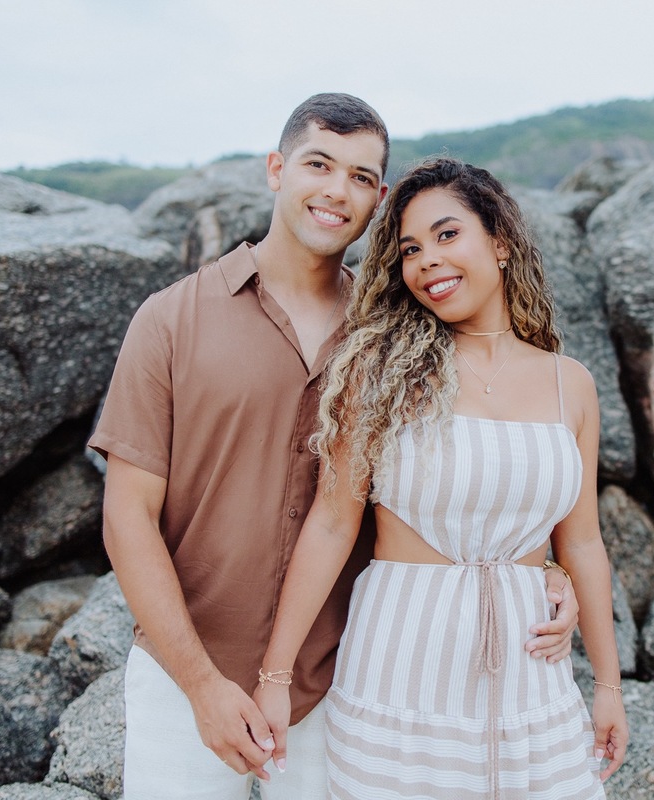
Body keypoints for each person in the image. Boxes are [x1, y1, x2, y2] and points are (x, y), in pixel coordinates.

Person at [89, 94, 581, 800]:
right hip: (183, 677)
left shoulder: (404, 338)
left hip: (339, 680)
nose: (336, 191)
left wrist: (546, 568)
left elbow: (480, 470)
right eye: (318, 164)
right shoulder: (170, 319)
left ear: (380, 199)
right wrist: (199, 684)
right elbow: (125, 518)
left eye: (360, 177)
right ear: (276, 169)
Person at [256, 157, 629, 798]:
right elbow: (331, 525)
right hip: (400, 670)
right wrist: (275, 676)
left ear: (500, 242)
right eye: (410, 250)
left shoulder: (571, 385)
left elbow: (583, 543)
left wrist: (608, 686)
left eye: (447, 235)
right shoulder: (379, 372)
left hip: (533, 678)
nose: (427, 260)